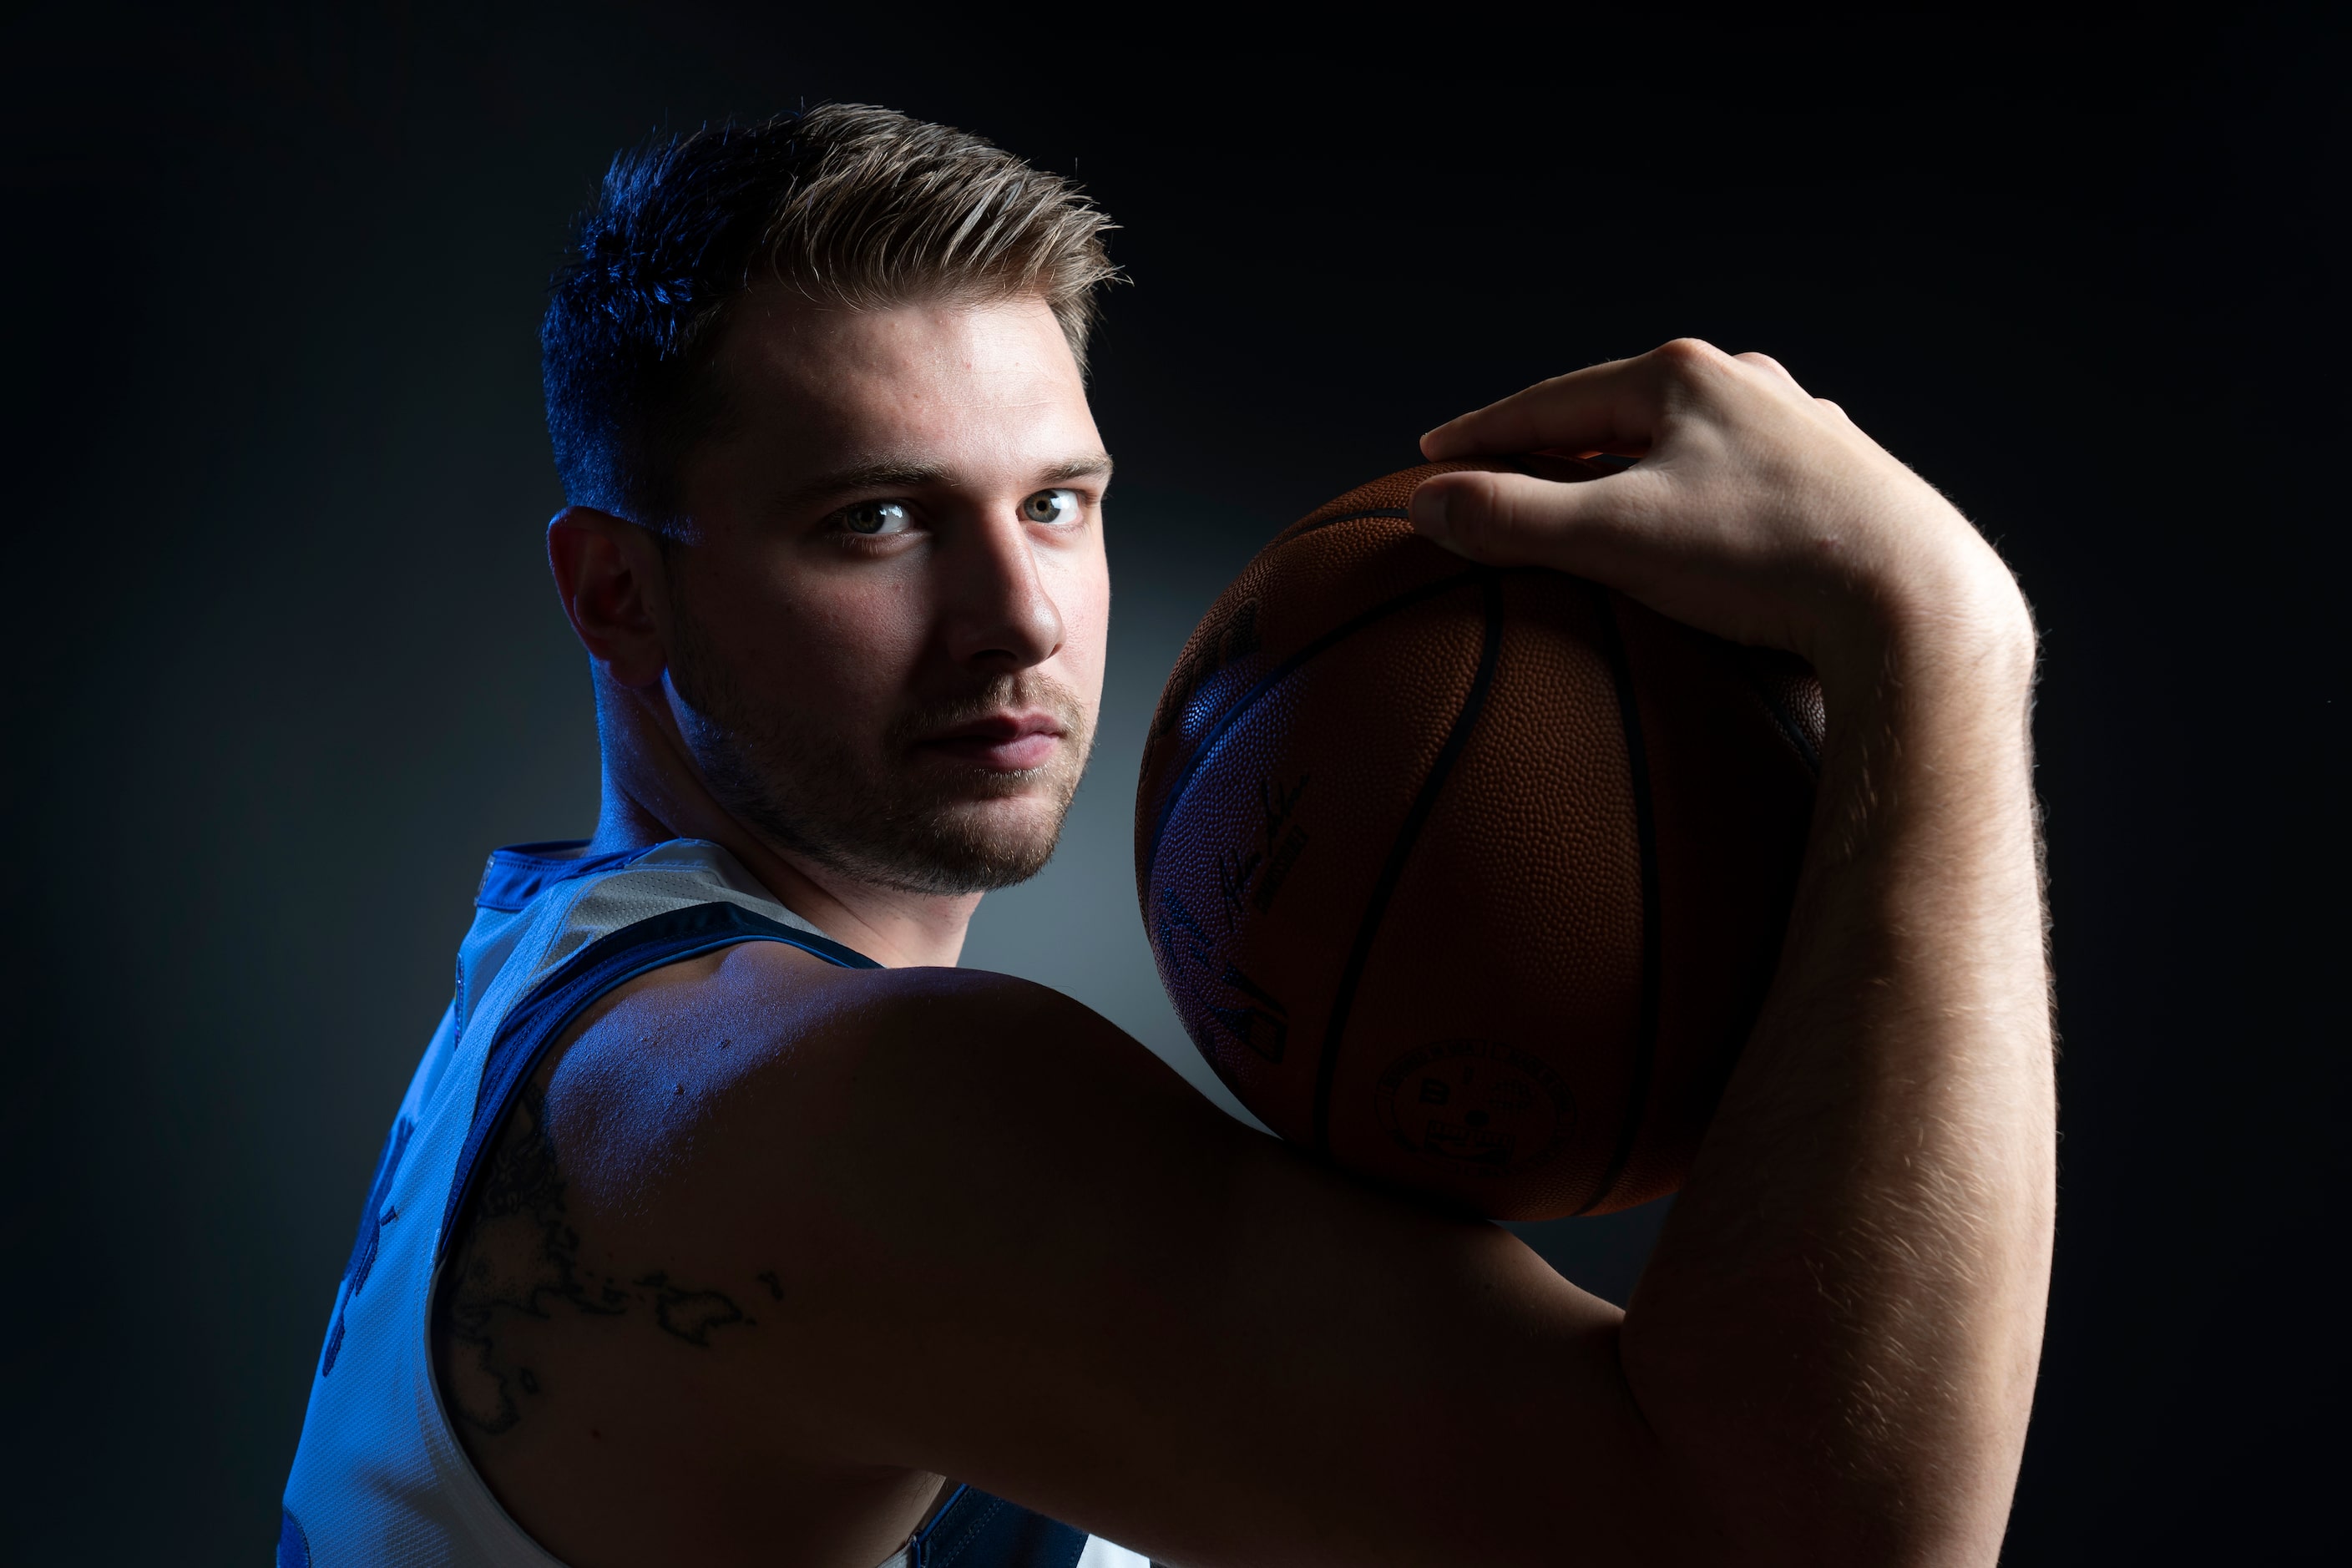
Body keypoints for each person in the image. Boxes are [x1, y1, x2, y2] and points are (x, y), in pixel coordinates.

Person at [279, 104, 2054, 1568]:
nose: (1016, 616)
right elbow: (1820, 1545)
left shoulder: (565, 979)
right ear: (616, 593)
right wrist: (1938, 638)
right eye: (878, 519)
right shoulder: (819, 1107)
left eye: (1055, 503)